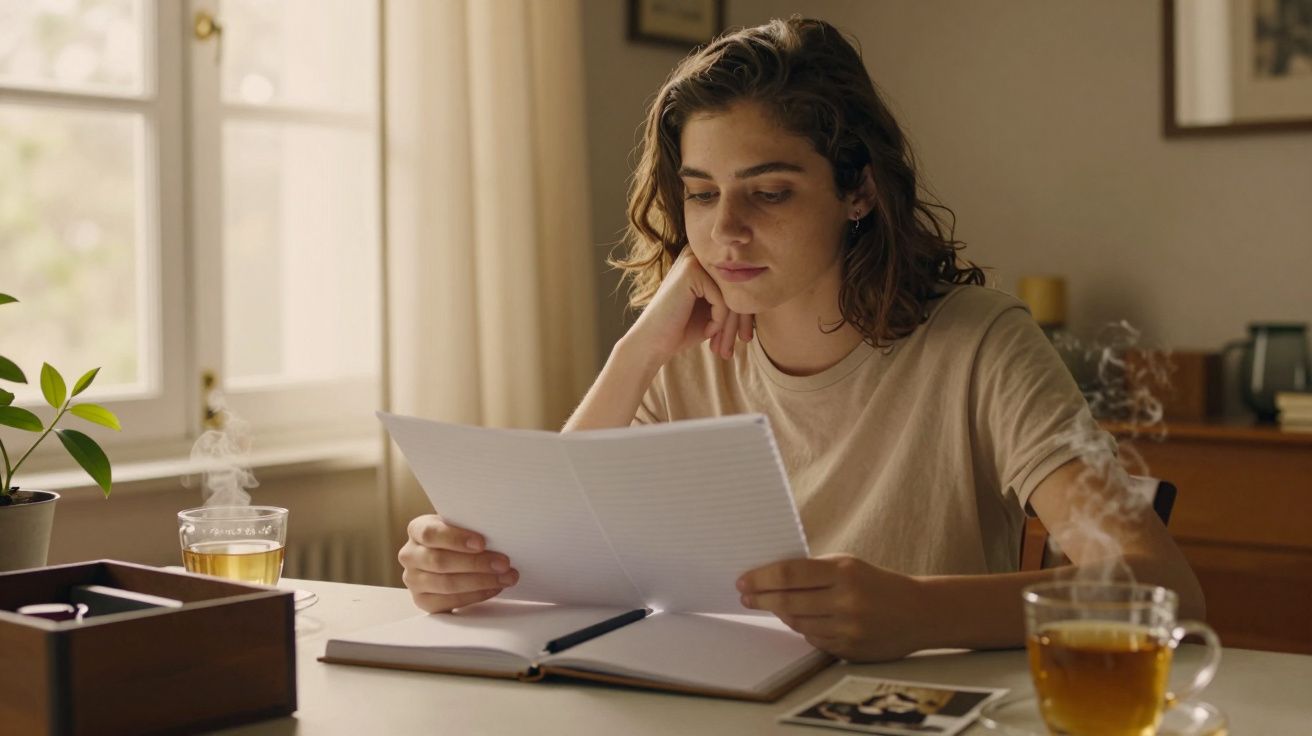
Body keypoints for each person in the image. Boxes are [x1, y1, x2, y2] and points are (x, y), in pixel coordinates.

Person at [397, 16, 1204, 662]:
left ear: (858, 192)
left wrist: (921, 611)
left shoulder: (983, 345)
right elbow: (551, 561)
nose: (726, 230)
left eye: (770, 192)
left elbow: (1162, 591)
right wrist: (633, 355)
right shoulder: (679, 354)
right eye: (701, 194)